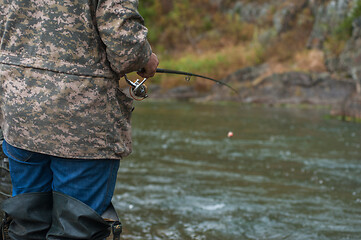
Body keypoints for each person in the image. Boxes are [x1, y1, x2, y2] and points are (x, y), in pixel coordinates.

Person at [0, 0, 159, 239]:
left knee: (27, 225)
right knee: (75, 230)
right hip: (84, 123)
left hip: (19, 115)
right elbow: (126, 49)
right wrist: (146, 59)